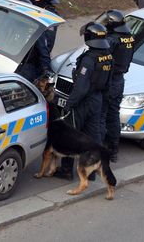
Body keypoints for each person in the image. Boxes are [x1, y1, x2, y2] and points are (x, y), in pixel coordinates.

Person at [54, 22, 113, 180]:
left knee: (70, 135)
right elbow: (108, 82)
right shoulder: (107, 55)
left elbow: (80, 88)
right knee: (94, 136)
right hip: (97, 100)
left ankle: (66, 170)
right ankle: (92, 171)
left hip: (83, 102)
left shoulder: (89, 59)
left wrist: (69, 104)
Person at [96, 10, 134, 163]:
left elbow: (102, 59)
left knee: (101, 116)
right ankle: (113, 150)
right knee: (113, 115)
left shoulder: (112, 40)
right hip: (120, 81)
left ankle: (99, 151)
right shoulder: (129, 38)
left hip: (110, 81)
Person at [17, 0, 60, 82]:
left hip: (34, 61)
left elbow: (45, 44)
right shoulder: (38, 11)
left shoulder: (48, 17)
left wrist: (45, 67)